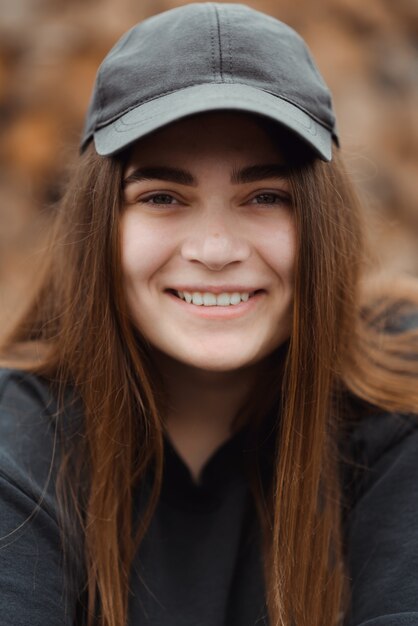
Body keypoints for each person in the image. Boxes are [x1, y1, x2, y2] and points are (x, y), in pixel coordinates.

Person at [1, 3, 418, 626]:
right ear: (101, 226)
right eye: (163, 197)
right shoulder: (21, 433)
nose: (215, 251)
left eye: (266, 197)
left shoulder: (403, 393)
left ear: (322, 220)